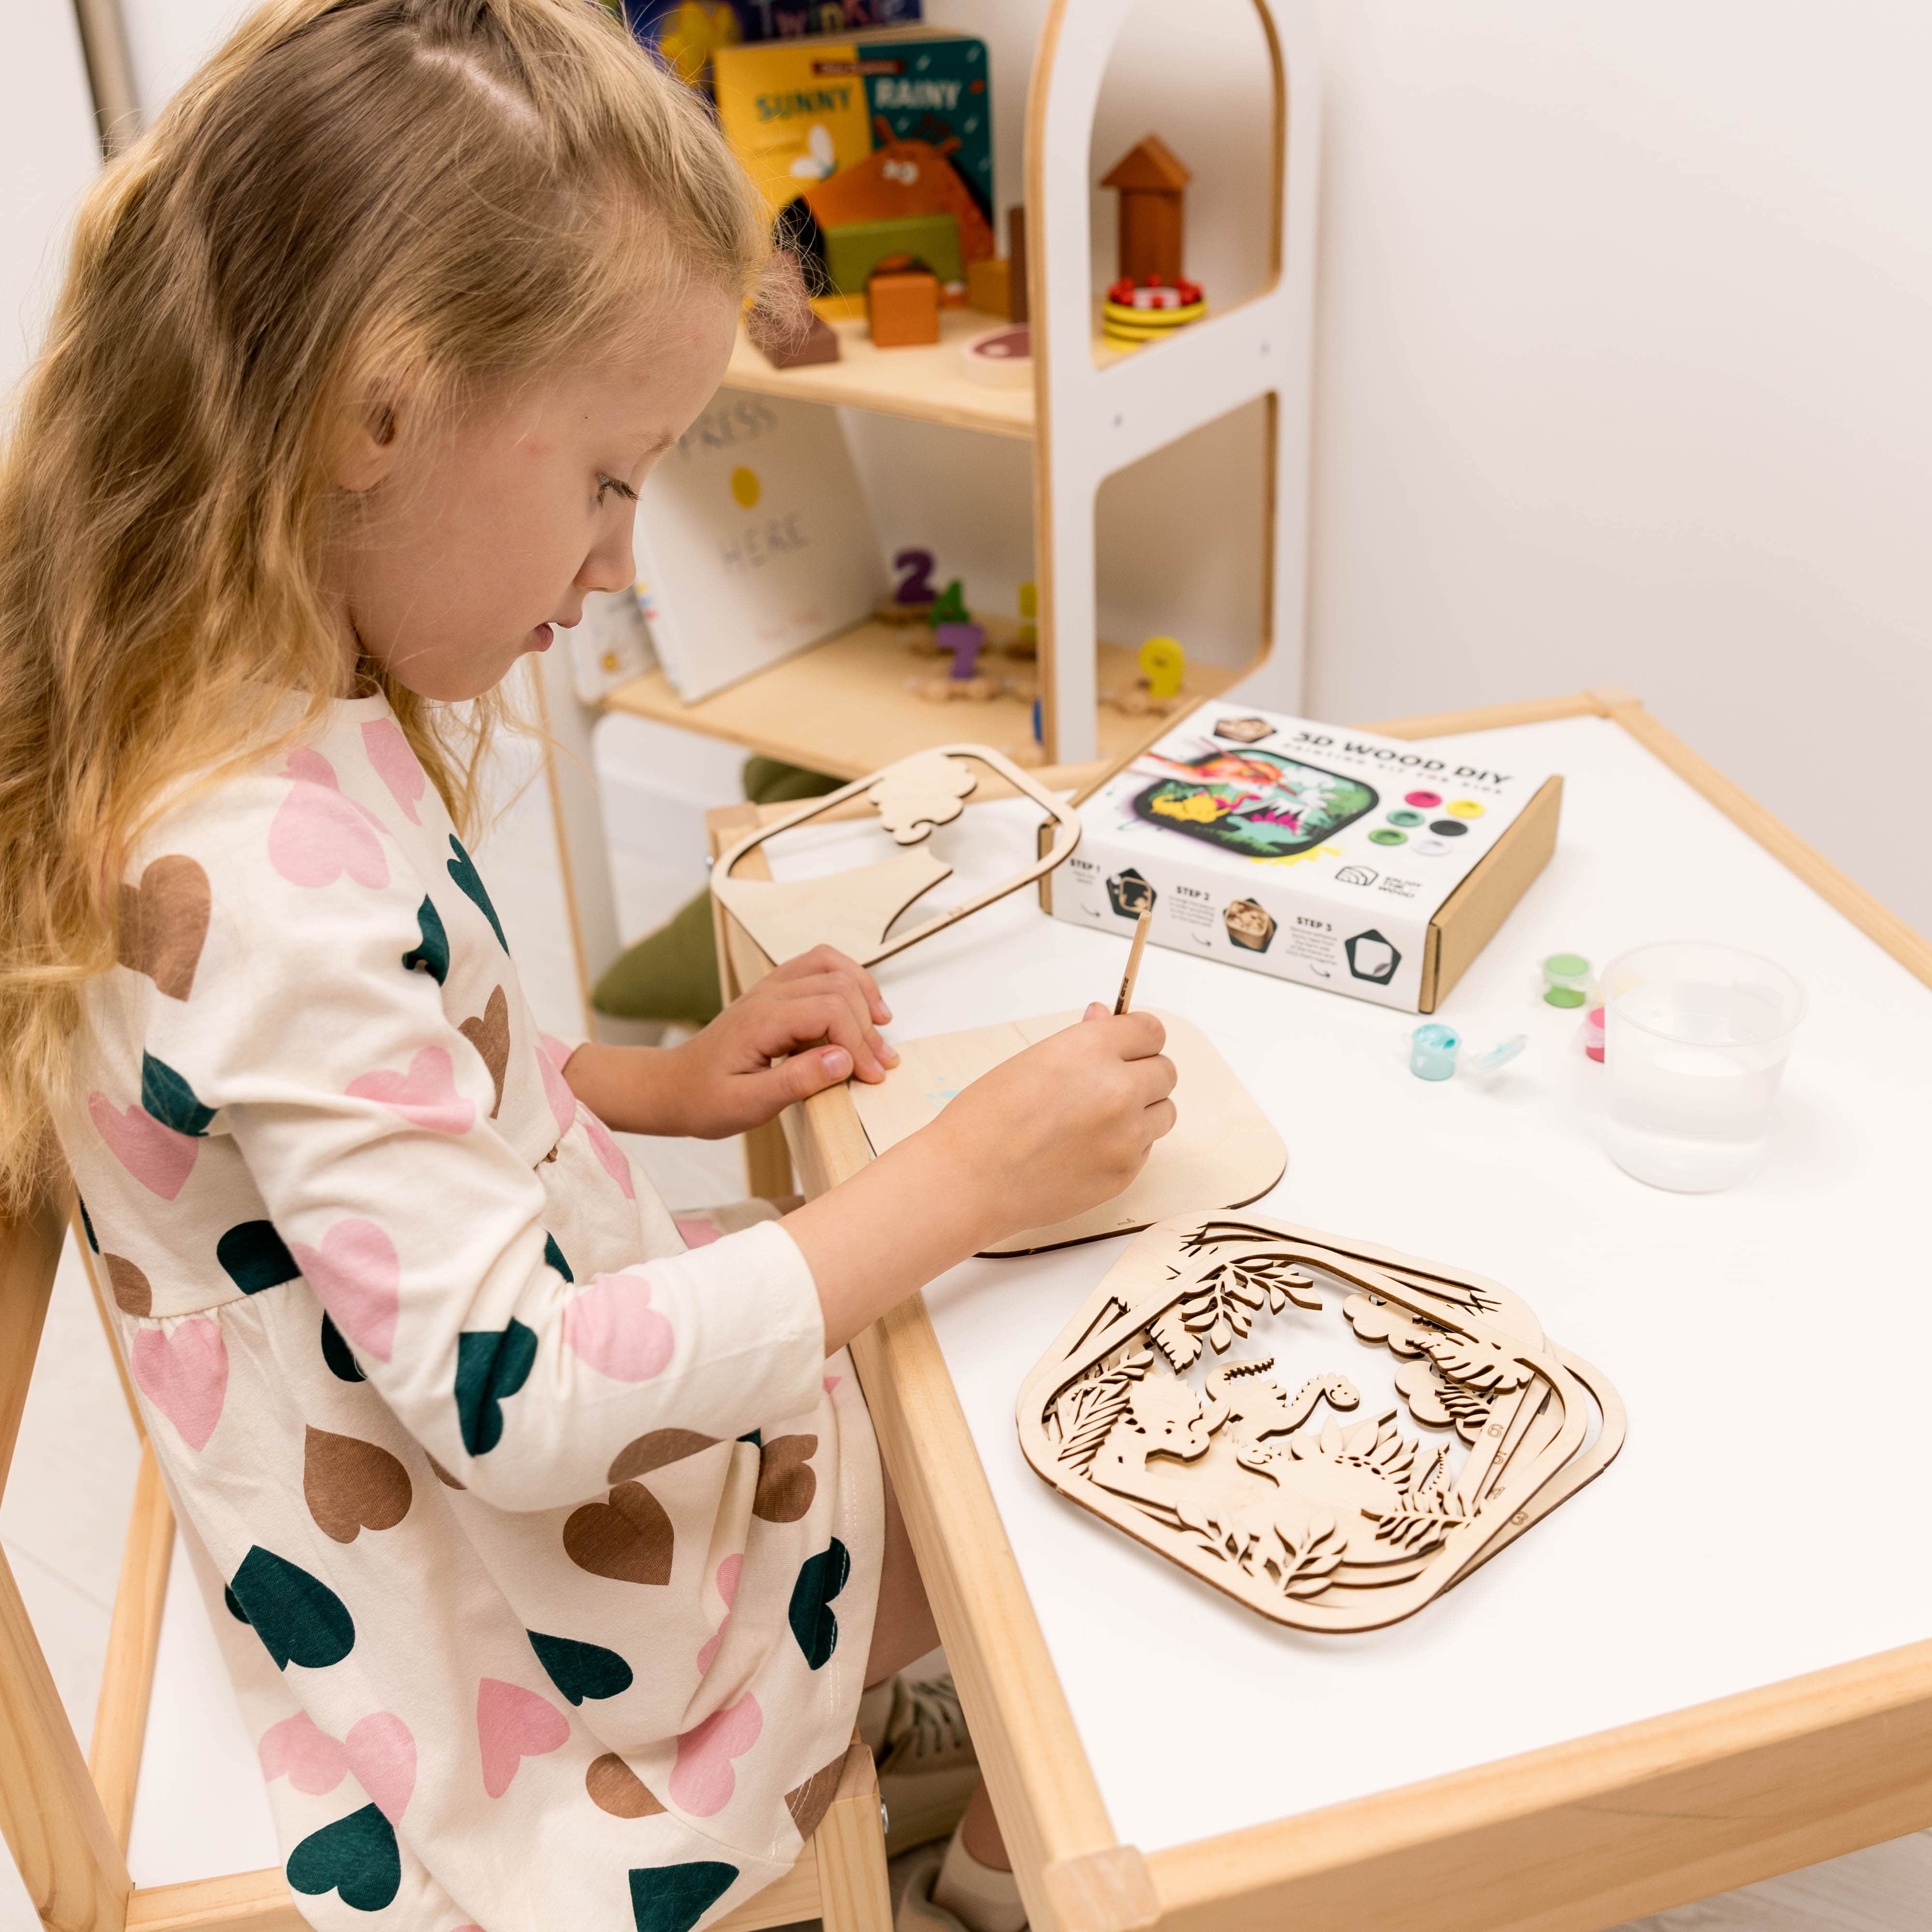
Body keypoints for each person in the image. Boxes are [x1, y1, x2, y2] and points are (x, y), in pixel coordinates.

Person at [0, 4, 1176, 1930]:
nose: (625, 557)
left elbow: (360, 1127)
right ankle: (998, 1874)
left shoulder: (232, 732)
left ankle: (966, 1792)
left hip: (447, 1529)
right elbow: (526, 1403)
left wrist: (638, 1081)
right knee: (1032, 1417)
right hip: (545, 1657)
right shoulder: (265, 868)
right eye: (610, 476)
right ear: (380, 414)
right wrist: (950, 1186)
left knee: (950, 1322)